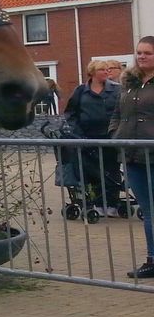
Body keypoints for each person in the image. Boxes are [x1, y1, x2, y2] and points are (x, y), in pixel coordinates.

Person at [110, 36, 154, 278]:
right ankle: (152, 259)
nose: (142, 56)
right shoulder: (129, 82)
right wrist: (115, 134)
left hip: (153, 152)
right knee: (149, 209)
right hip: (133, 155)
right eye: (139, 52)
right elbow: (117, 113)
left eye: (148, 52)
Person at [64, 60, 121, 215]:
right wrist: (76, 132)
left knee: (112, 169)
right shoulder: (81, 91)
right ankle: (96, 202)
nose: (106, 72)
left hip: (110, 137)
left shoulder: (117, 90)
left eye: (107, 69)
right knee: (92, 171)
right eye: (102, 69)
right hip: (86, 138)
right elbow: (70, 113)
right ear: (92, 73)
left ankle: (112, 204)